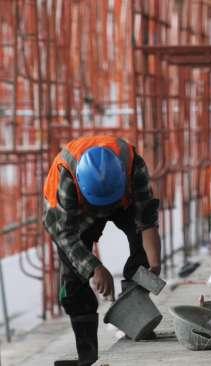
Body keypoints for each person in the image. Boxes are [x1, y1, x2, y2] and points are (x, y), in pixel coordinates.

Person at [43, 135, 161, 366]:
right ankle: (88, 357)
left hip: (122, 201)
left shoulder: (132, 166)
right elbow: (65, 236)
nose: (105, 211)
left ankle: (135, 319)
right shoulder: (64, 180)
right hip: (79, 212)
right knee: (73, 281)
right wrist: (94, 268)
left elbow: (146, 220)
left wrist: (154, 262)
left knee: (144, 253)